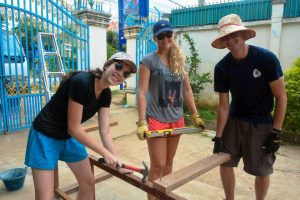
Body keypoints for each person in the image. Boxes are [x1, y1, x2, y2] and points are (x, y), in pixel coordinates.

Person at [24, 52, 136, 200]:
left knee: (88, 184)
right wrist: (105, 152)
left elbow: (105, 130)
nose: (120, 73)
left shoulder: (106, 94)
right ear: (108, 65)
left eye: (126, 73)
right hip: (45, 135)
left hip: (68, 137)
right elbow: (74, 128)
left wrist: (114, 158)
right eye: (119, 66)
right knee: (45, 196)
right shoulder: (82, 82)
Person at [211, 14, 287, 200]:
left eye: (233, 34)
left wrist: (276, 132)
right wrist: (219, 136)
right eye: (225, 36)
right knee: (225, 162)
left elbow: (281, 96)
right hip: (235, 120)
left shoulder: (266, 59)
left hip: (261, 122)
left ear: (243, 34)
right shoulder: (222, 68)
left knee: (262, 170)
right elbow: (223, 105)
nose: (229, 40)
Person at [135, 19, 205, 200]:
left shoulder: (179, 61)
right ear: (154, 38)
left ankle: (162, 195)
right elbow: (142, 92)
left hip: (176, 118)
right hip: (156, 118)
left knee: (168, 162)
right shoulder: (148, 61)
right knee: (157, 165)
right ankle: (152, 197)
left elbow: (187, 90)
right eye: (161, 36)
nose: (165, 39)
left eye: (168, 35)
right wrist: (141, 121)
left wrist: (195, 114)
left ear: (172, 35)